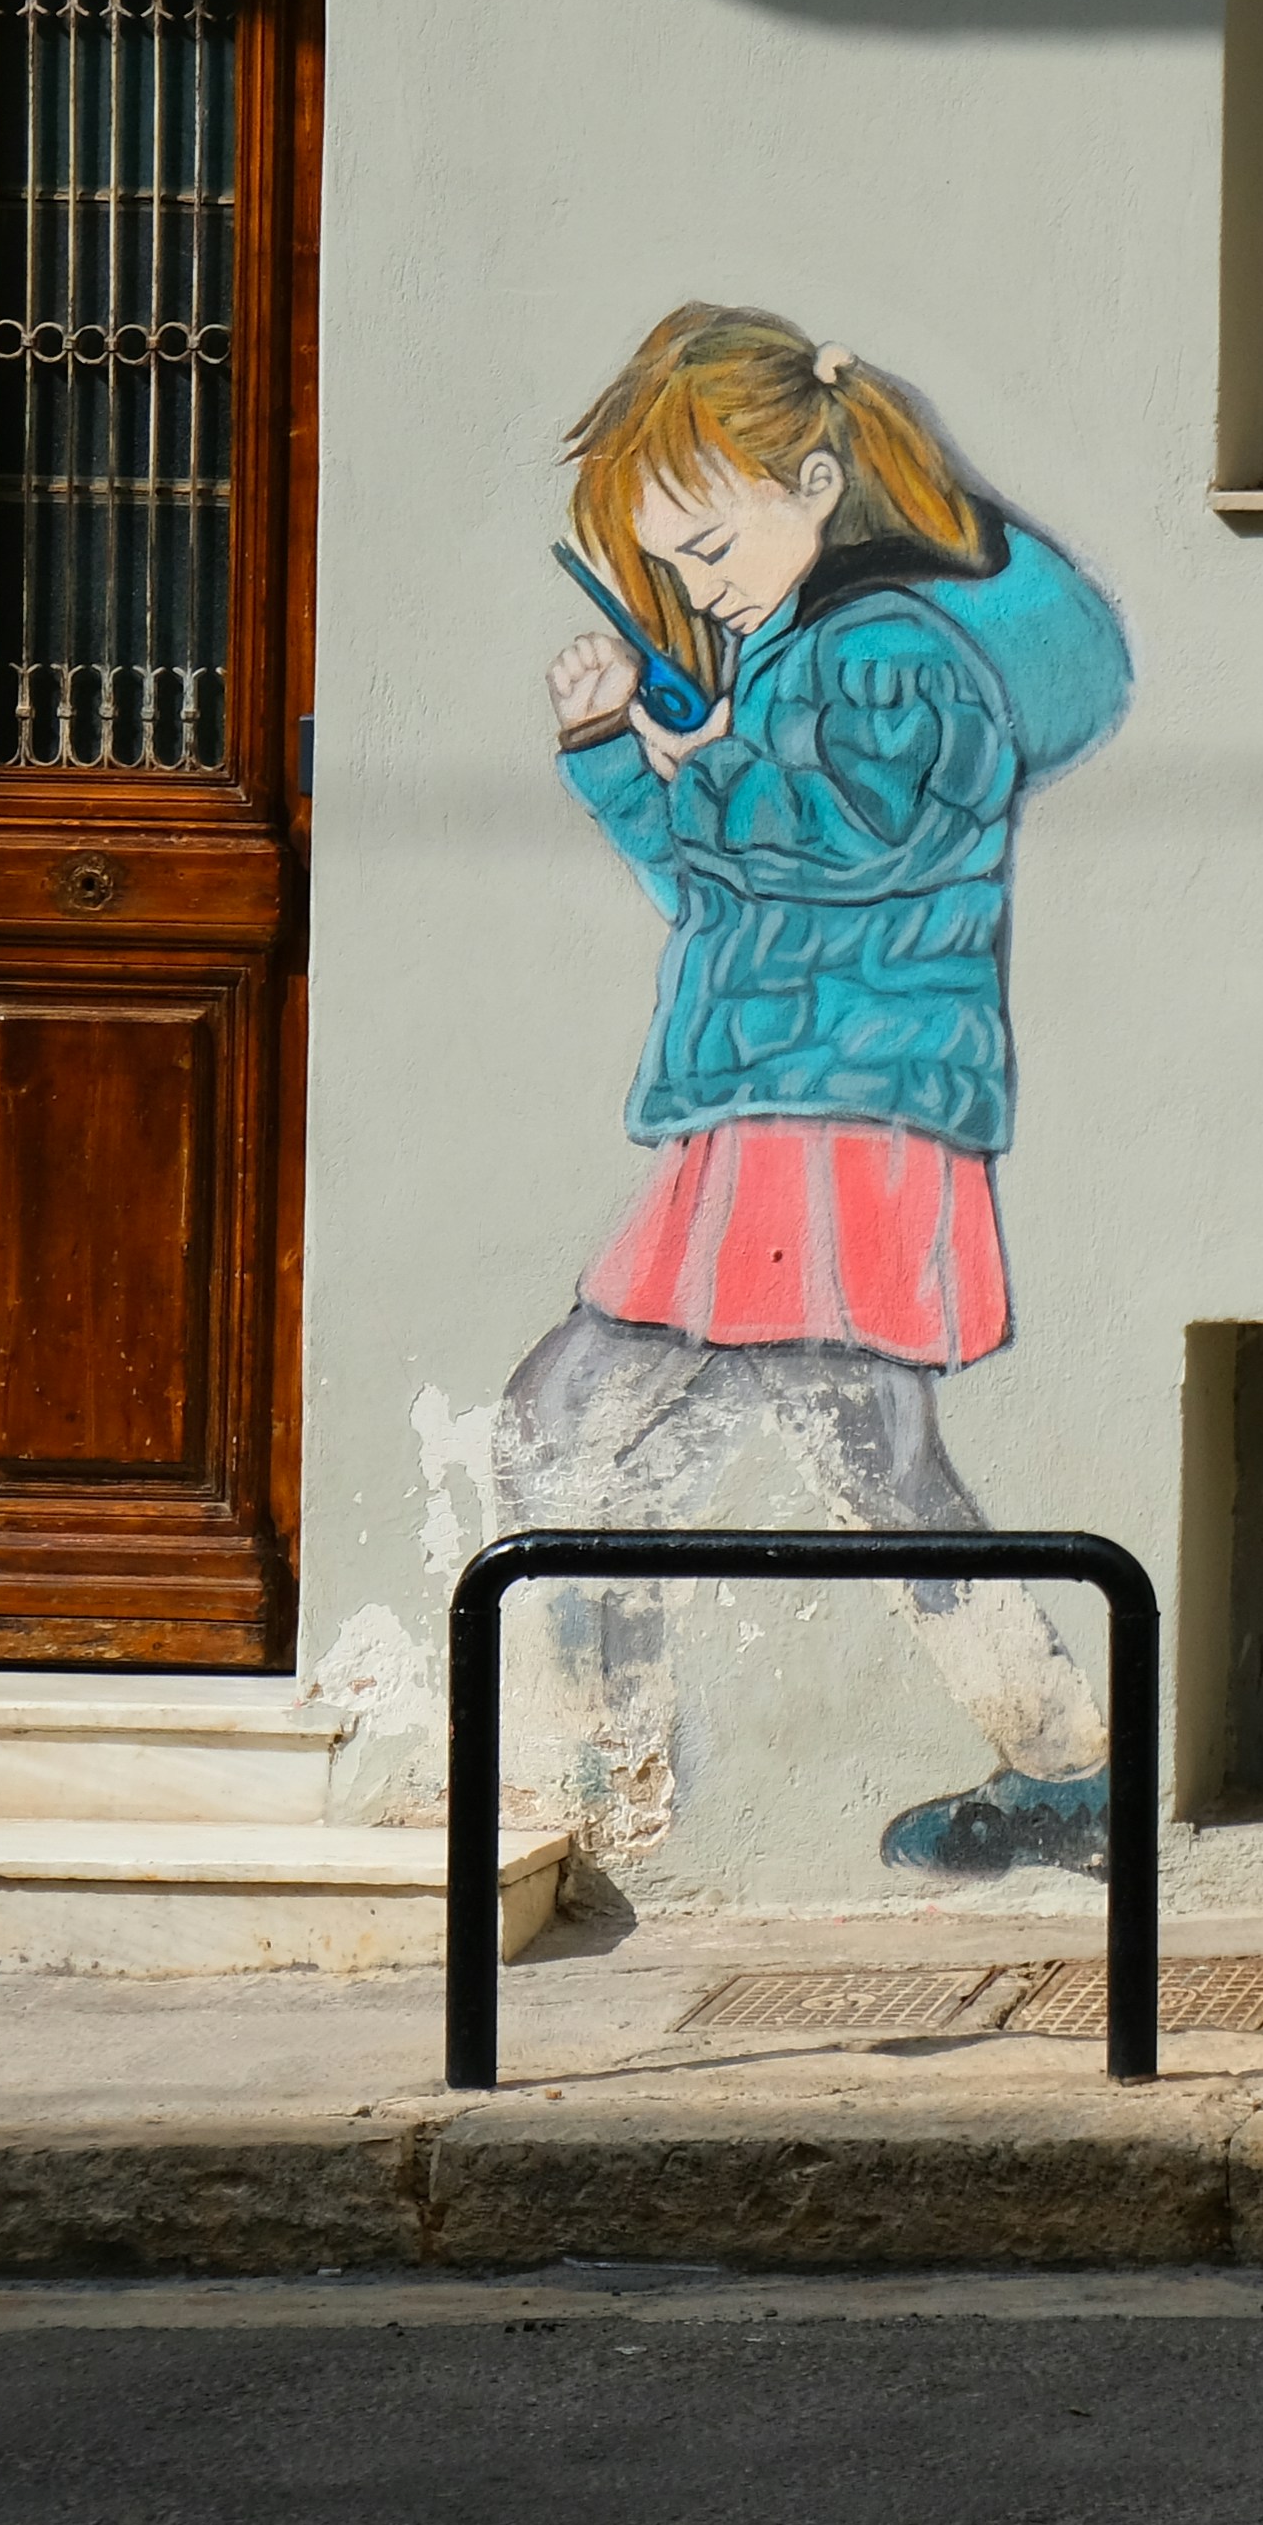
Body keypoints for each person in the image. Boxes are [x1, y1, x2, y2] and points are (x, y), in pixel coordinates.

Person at [494, 304, 1138, 1878]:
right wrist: (615, 755)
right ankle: (1054, 1765)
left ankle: (606, 1797)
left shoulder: (894, 656)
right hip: (788, 1107)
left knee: (573, 1429)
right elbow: (725, 886)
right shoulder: (794, 660)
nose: (699, 591)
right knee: (837, 1463)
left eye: (710, 549)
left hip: (834, 1116)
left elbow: (835, 843)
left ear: (820, 480)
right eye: (673, 569)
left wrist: (690, 758)